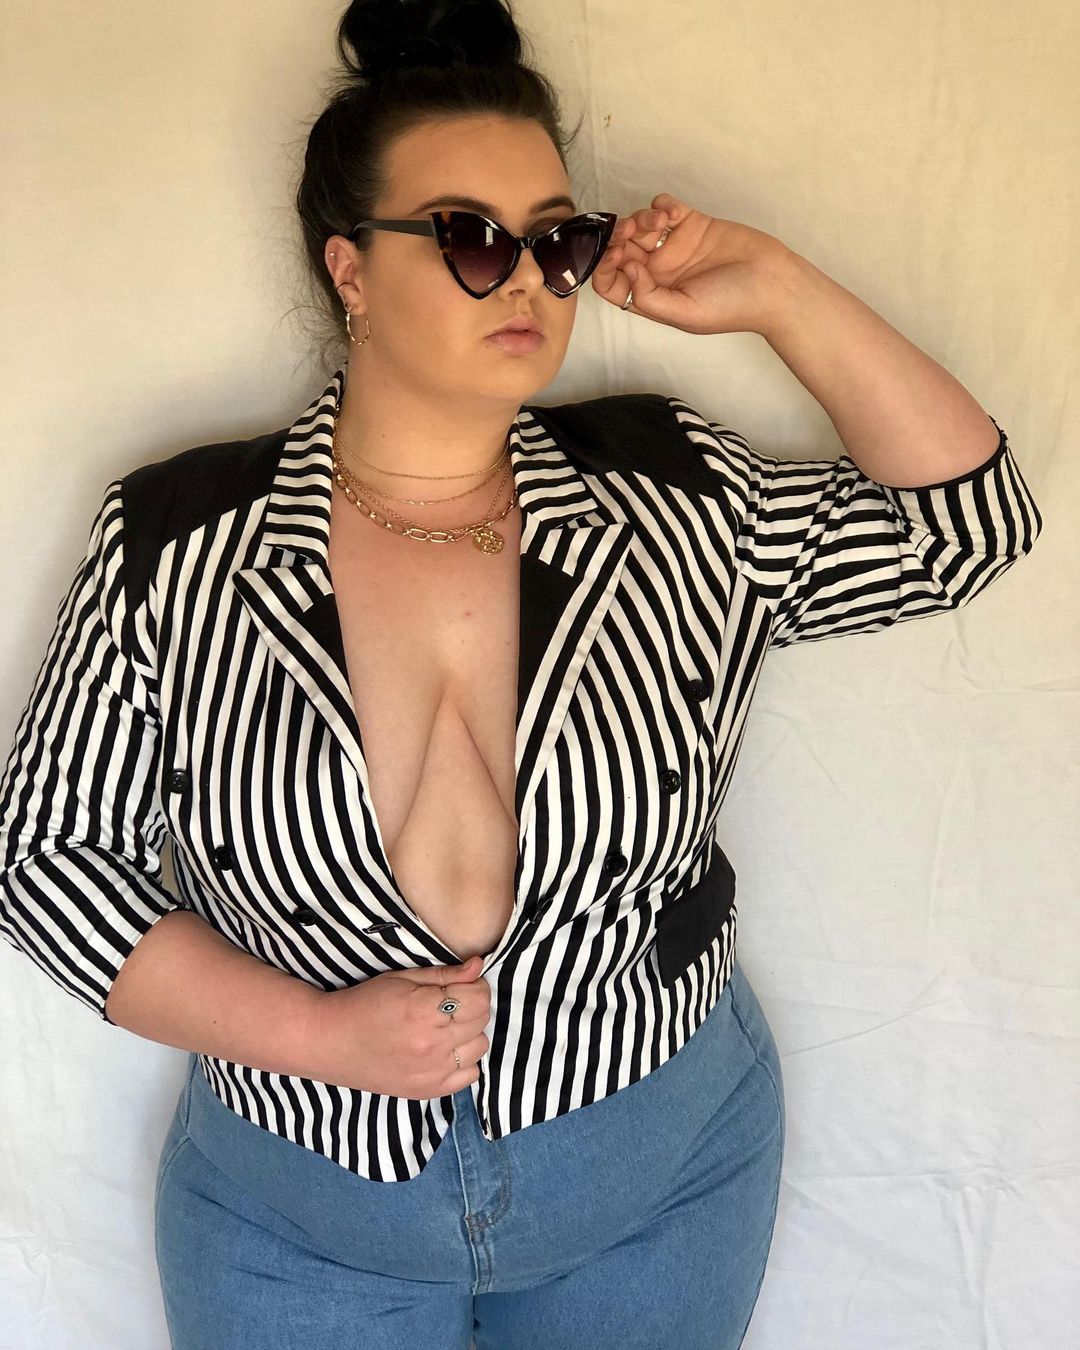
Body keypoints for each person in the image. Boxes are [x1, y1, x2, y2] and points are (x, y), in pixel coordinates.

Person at [0, 1, 1042, 1346]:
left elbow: (968, 525)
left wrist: (777, 288)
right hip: (296, 1225)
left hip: (659, 1191)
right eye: (472, 238)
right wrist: (318, 1038)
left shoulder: (671, 498)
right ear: (349, 268)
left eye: (558, 240)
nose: (533, 280)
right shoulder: (177, 541)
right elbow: (43, 861)